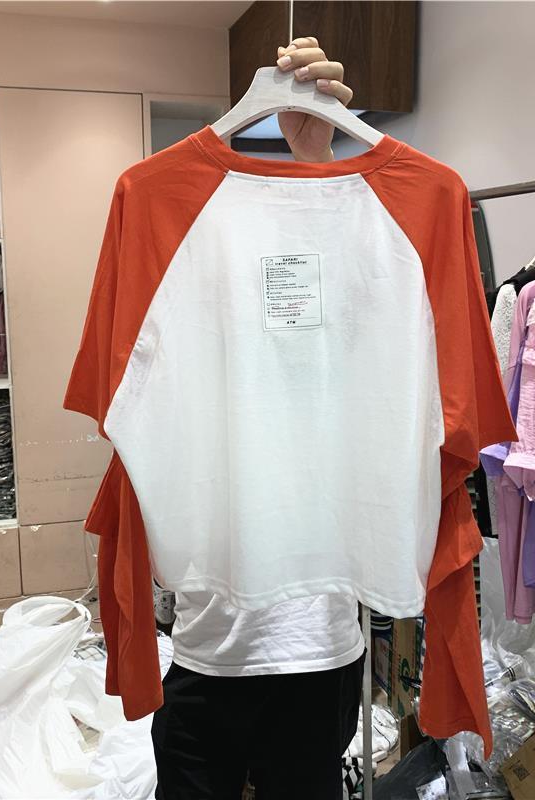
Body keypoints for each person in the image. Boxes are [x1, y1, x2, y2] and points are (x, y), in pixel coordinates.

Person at [151, 38, 366, 800]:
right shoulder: (181, 253)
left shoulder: (348, 283)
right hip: (210, 642)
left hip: (319, 641)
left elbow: (366, 314)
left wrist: (318, 160)